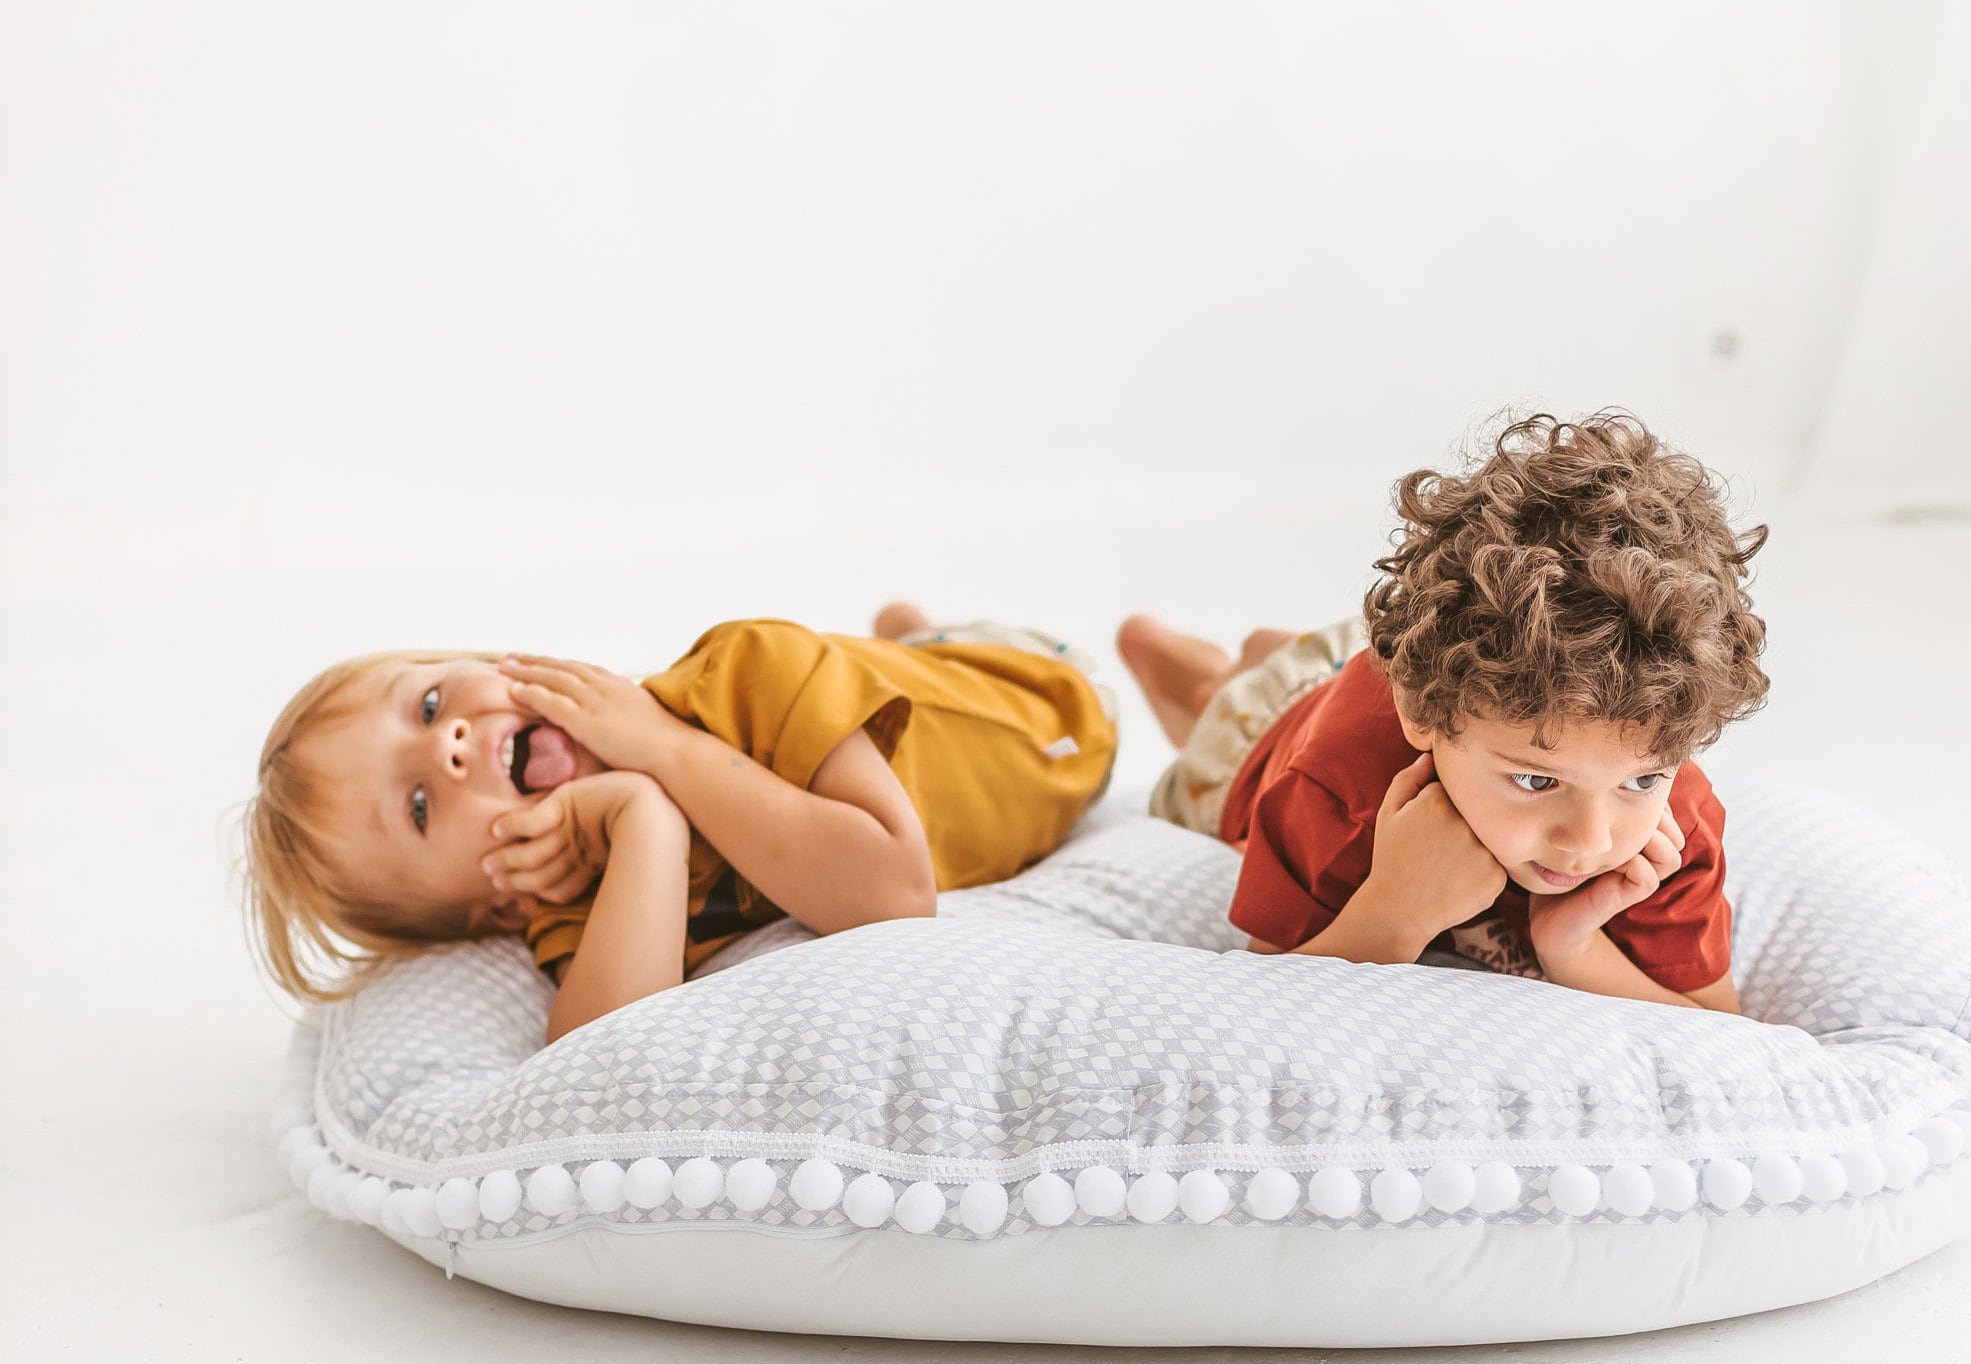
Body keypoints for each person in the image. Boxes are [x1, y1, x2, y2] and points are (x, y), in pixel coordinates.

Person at [1118, 411, 1768, 1012]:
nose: (1591, 843)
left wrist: (1572, 946)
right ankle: (1168, 656)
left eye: (1641, 781)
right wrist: (1396, 911)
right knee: (1215, 708)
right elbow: (1269, 993)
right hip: (1265, 732)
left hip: (1415, 663)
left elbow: (1719, 1024)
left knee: (1292, 656)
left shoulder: (1667, 829)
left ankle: (1271, 652)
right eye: (1537, 780)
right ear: (1421, 717)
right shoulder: (1337, 793)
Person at [241, 609, 1116, 1044]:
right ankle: (902, 627)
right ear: (496, 910)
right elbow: (602, 1062)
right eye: (421, 806)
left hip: (1047, 710)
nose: (453, 743)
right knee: (890, 651)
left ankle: (916, 631)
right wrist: (642, 816)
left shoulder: (748, 669)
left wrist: (662, 750)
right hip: (924, 693)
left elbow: (893, 896)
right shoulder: (573, 912)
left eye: (429, 704)